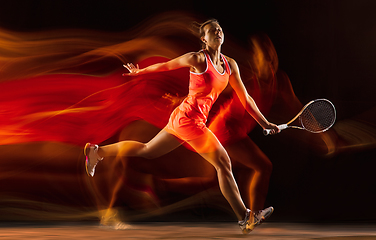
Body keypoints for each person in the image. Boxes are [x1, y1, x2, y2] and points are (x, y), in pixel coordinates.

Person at [84, 19, 280, 234]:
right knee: (223, 163)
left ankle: (97, 151)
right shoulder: (197, 58)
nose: (217, 32)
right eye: (211, 31)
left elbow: (246, 98)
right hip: (189, 121)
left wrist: (265, 122)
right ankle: (245, 217)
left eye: (219, 29)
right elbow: (167, 65)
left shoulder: (230, 65)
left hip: (186, 118)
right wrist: (140, 72)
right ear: (204, 39)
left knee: (147, 150)